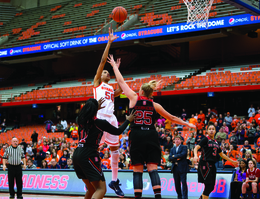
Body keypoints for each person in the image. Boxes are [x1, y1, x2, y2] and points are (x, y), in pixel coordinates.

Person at [108, 55, 195, 199]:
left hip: (136, 135)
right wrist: (187, 123)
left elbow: (121, 81)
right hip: (151, 135)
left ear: (141, 91)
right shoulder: (156, 105)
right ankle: (158, 197)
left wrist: (115, 67)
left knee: (137, 170)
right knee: (153, 169)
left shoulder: (134, 98)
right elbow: (172, 118)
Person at [73, 98, 135, 199]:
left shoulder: (79, 120)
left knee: (91, 189)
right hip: (88, 154)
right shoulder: (100, 123)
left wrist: (95, 108)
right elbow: (118, 131)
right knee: (101, 189)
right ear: (95, 109)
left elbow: (87, 115)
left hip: (76, 154)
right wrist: (128, 120)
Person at [92, 28, 124, 197]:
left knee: (115, 149)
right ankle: (91, 179)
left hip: (111, 119)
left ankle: (114, 180)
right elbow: (103, 61)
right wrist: (109, 42)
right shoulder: (97, 83)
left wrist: (116, 70)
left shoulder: (111, 88)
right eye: (105, 71)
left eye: (107, 72)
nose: (106, 72)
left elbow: (121, 89)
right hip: (99, 118)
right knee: (92, 149)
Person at [193, 122, 238, 199]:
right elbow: (196, 147)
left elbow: (222, 154)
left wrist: (232, 161)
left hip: (212, 165)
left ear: (215, 131)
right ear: (207, 131)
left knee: (211, 187)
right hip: (205, 164)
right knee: (208, 186)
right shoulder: (205, 139)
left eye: (213, 129)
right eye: (209, 129)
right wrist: (195, 156)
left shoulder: (216, 142)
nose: (211, 130)